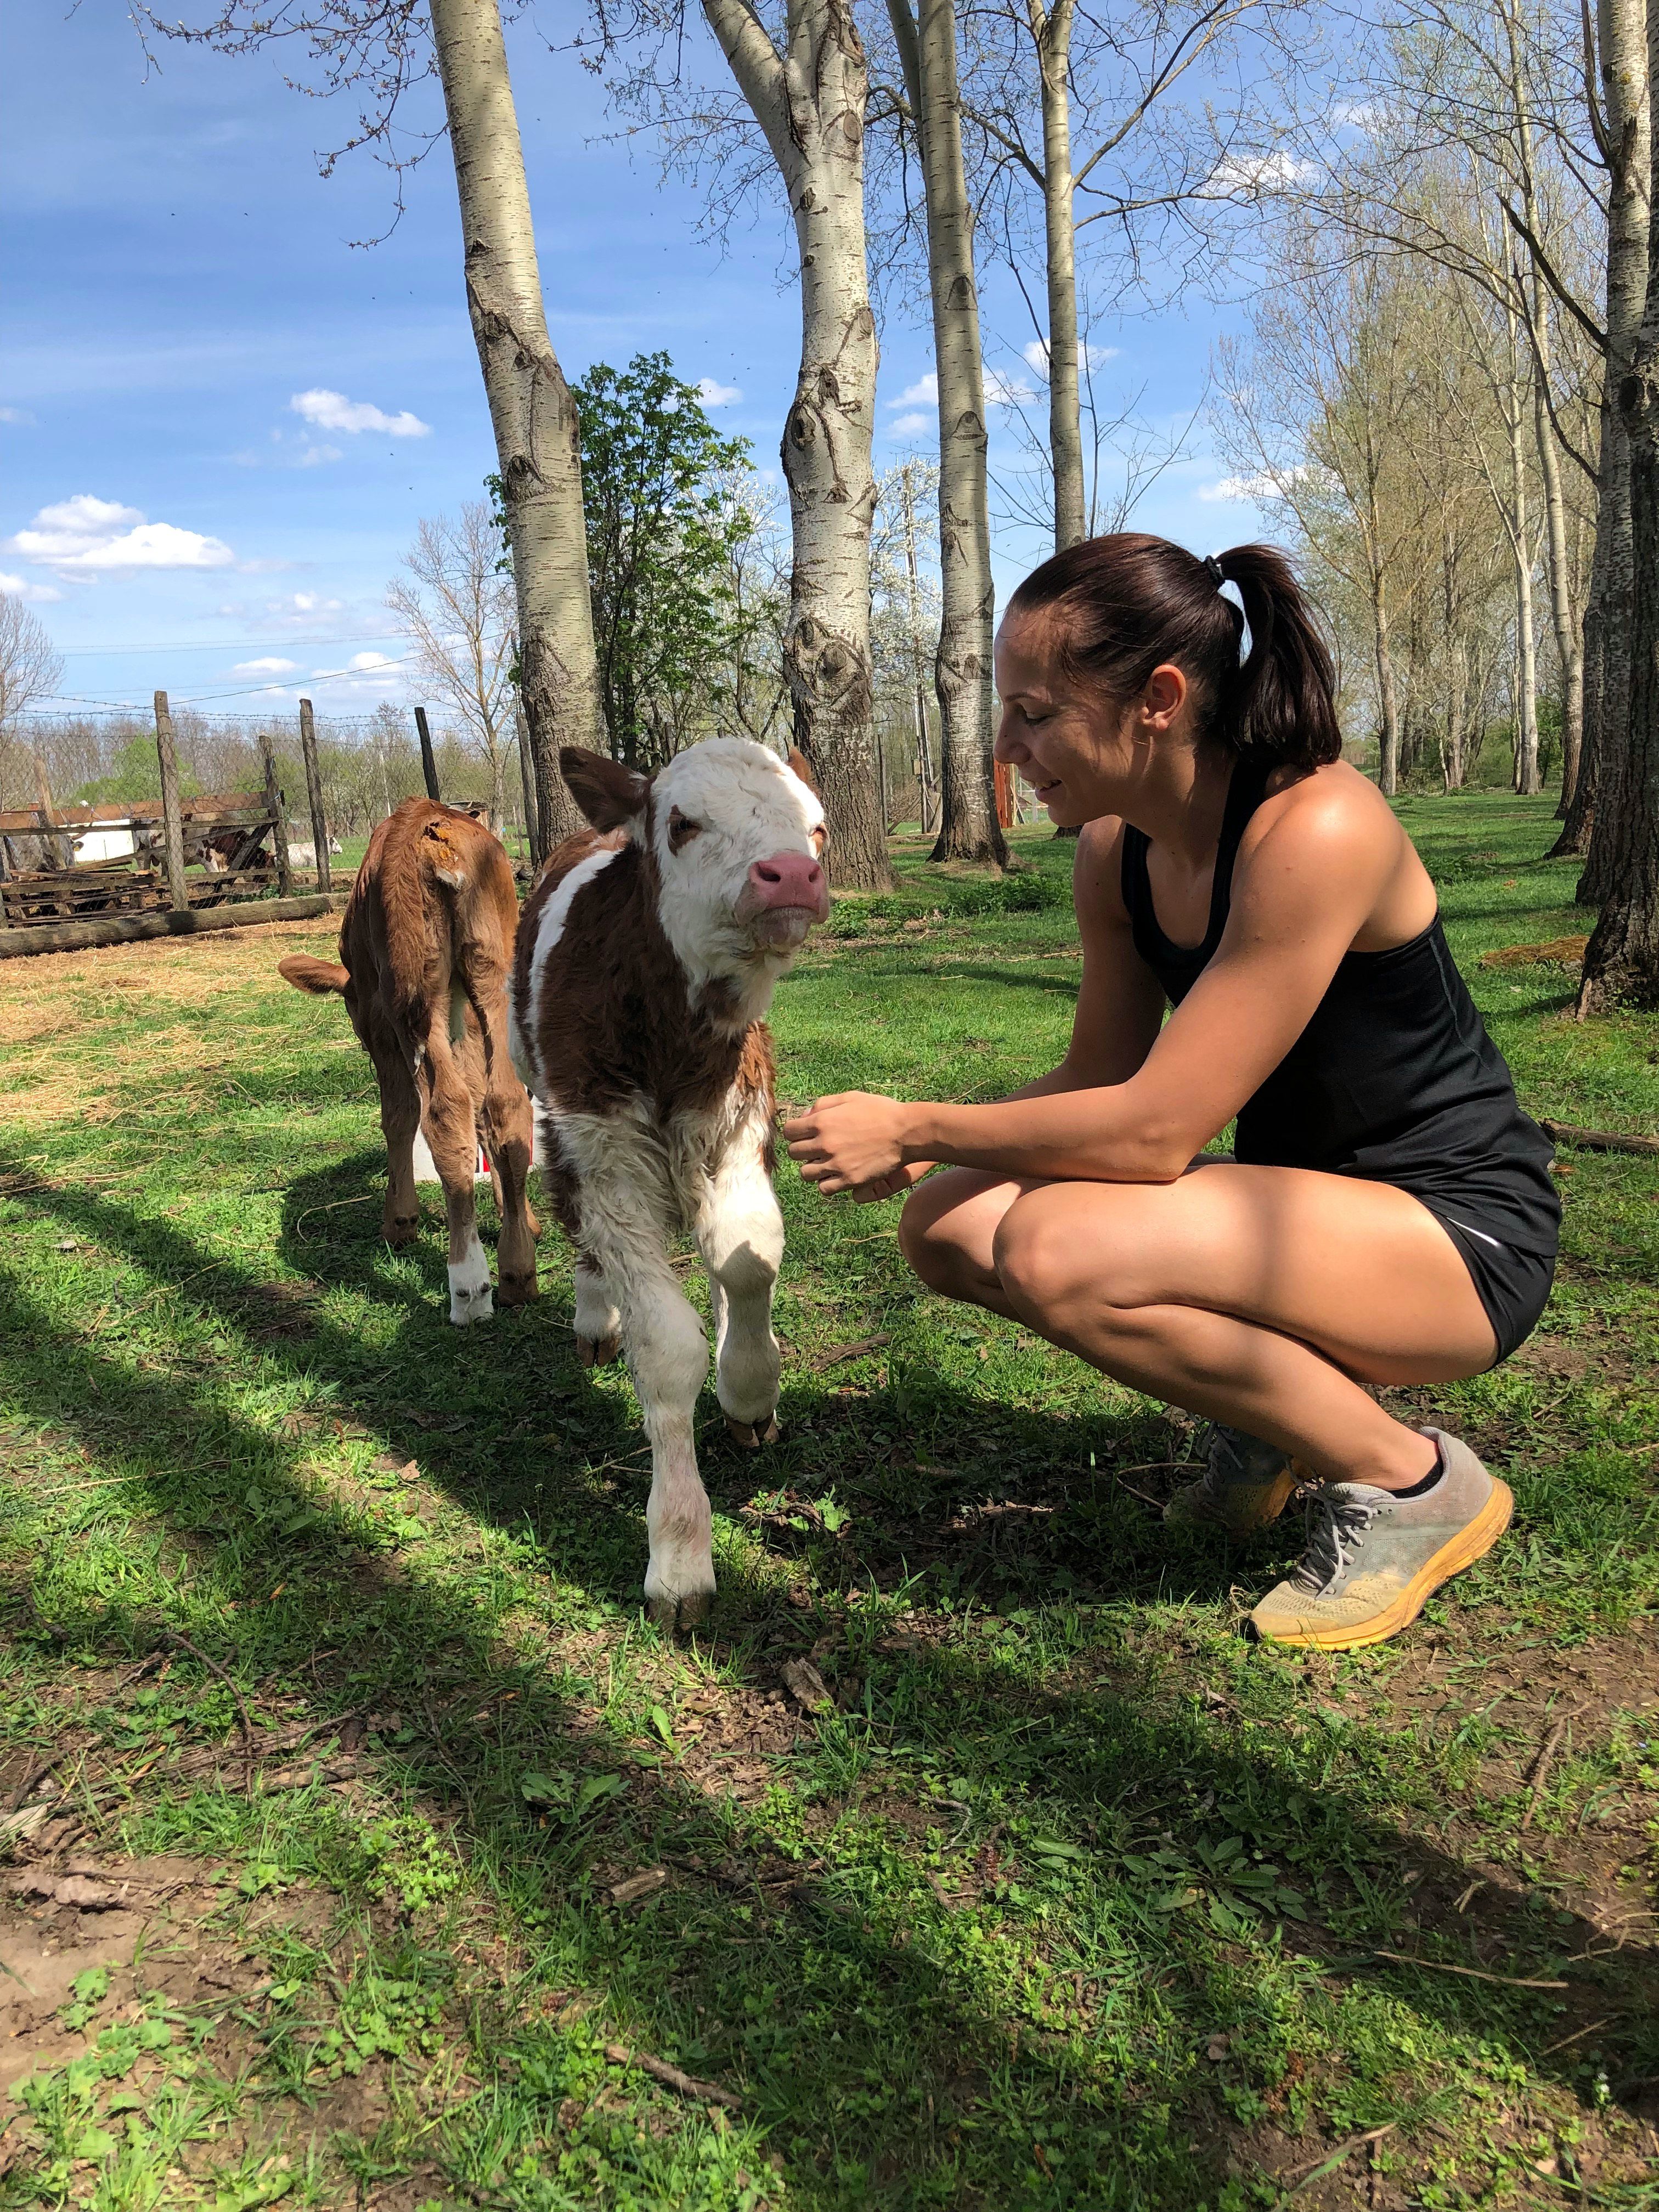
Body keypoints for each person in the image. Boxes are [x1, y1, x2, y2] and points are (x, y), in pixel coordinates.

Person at [782, 536, 1559, 1651]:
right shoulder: (1118, 852)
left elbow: (1151, 1135)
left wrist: (916, 1122)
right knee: (948, 1223)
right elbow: (1102, 1079)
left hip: (1461, 1232)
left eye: (1035, 713)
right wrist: (937, 1155)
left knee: (1058, 1247)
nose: (1006, 747)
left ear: (1157, 699)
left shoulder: (1317, 826)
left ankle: (1418, 1483)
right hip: (1302, 1211)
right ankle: (1274, 1416)